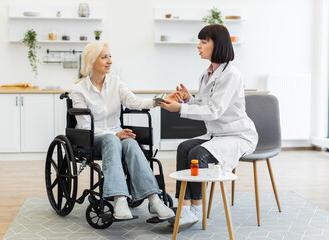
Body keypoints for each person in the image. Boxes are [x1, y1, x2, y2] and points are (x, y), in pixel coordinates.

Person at [159, 24, 258, 228]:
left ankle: (196, 208)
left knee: (197, 153)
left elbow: (214, 111)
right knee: (183, 148)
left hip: (237, 135)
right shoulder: (206, 74)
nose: (198, 46)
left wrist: (179, 109)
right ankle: (184, 208)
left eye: (204, 42)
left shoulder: (231, 74)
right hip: (217, 134)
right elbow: (205, 105)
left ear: (218, 45)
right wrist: (188, 100)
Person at [71, 41, 175, 220]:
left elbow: (135, 102)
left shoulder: (115, 83)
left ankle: (154, 199)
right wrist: (114, 135)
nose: (109, 61)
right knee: (113, 140)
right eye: (104, 57)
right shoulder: (78, 90)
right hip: (92, 140)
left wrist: (160, 101)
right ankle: (120, 199)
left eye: (110, 56)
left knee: (131, 142)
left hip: (115, 137)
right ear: (91, 61)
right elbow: (85, 127)